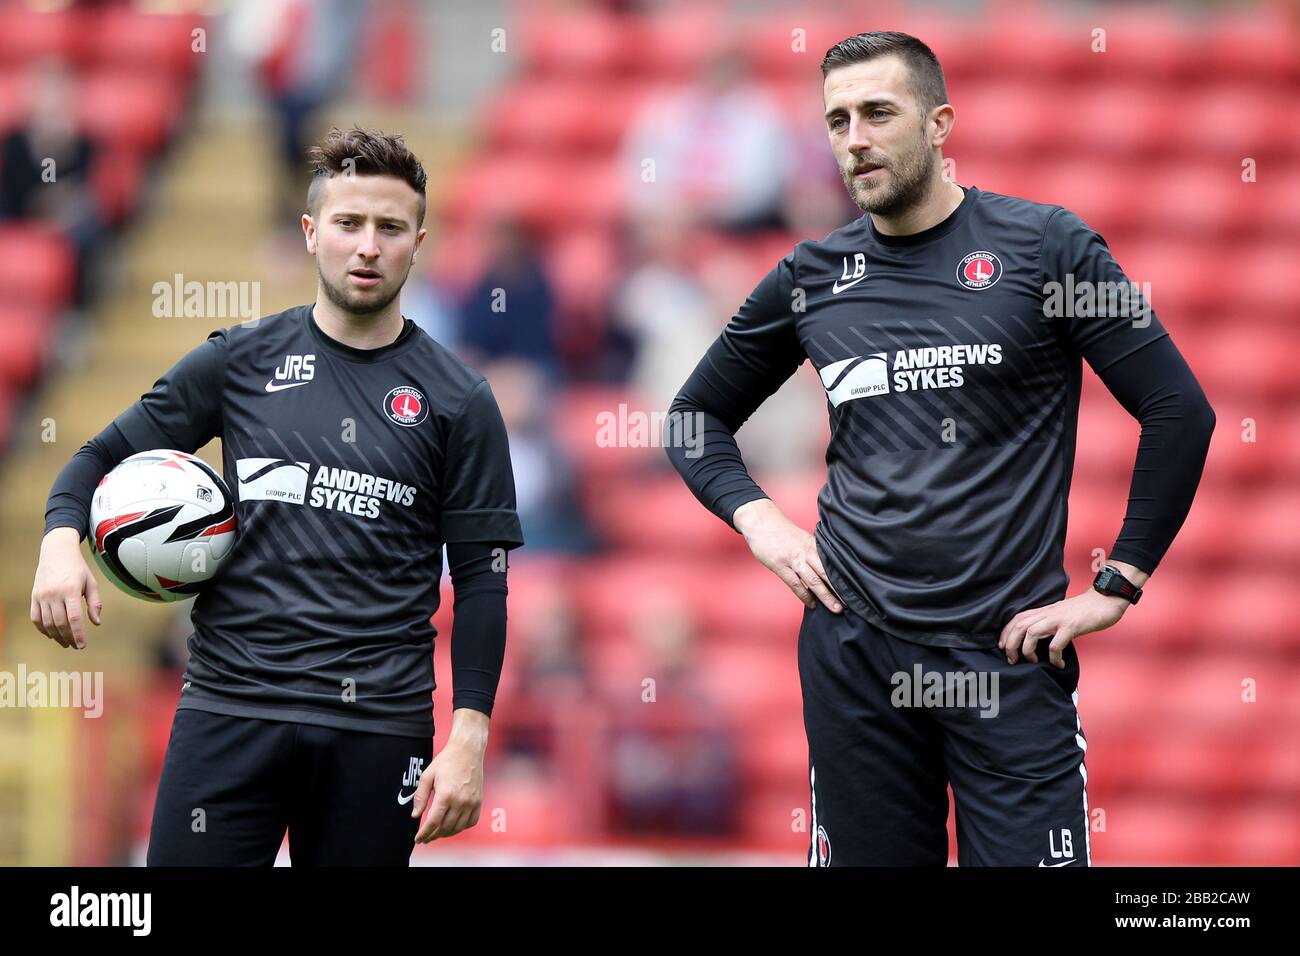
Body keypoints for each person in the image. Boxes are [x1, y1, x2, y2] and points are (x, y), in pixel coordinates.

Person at [665, 33, 1215, 867]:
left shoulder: (1046, 247)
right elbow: (692, 417)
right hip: (854, 657)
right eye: (837, 119)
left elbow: (1179, 409)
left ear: (939, 121)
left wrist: (1119, 582)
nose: (855, 138)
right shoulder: (812, 276)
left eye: (878, 113)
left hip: (1006, 653)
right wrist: (761, 523)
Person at [32, 126, 524, 866]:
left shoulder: (459, 399)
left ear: (418, 241)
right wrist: (59, 541)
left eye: (390, 227)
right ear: (310, 231)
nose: (367, 246)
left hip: (378, 729)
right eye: (348, 223)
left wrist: (470, 734)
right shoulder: (239, 361)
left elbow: (483, 582)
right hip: (229, 711)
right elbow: (97, 458)